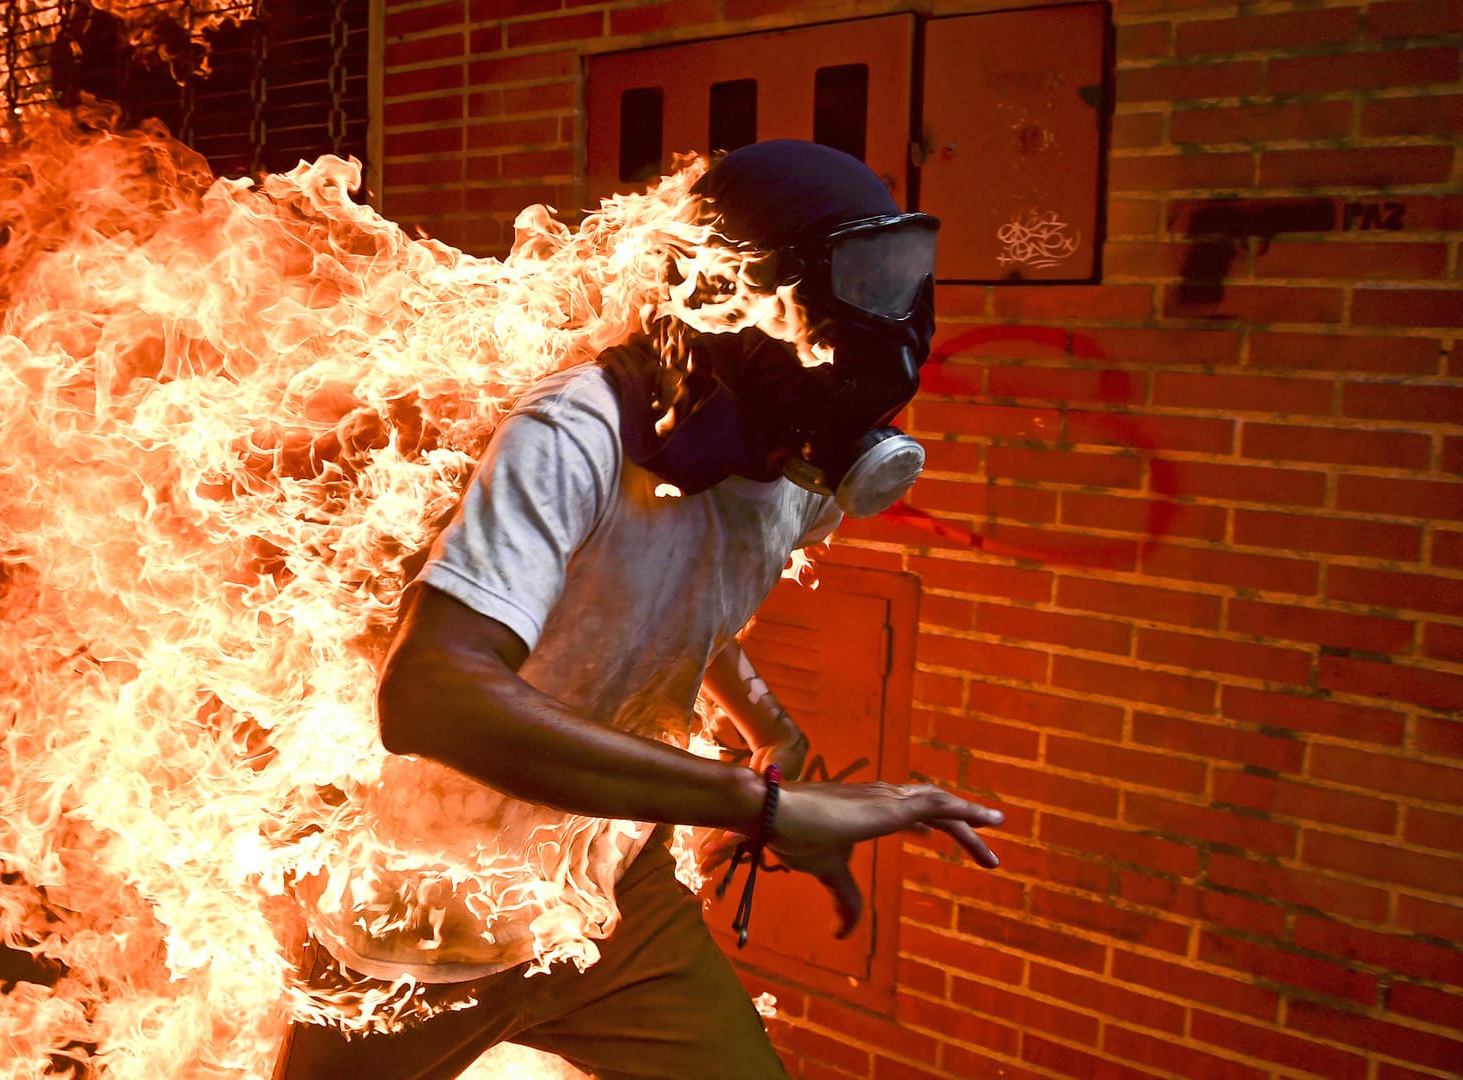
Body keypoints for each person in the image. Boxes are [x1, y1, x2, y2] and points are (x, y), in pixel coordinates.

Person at [275, 140, 1004, 1080]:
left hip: (612, 892)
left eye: (904, 274)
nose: (889, 317)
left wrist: (772, 733)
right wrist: (767, 806)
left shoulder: (796, 467)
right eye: (862, 277)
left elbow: (672, 602)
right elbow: (431, 693)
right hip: (425, 920)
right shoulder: (574, 433)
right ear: (734, 290)